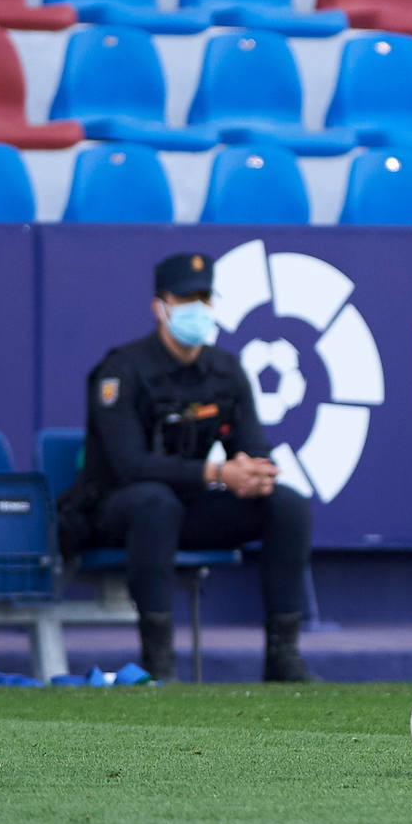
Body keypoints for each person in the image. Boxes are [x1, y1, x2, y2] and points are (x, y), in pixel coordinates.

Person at [58, 252, 314, 682]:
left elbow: (252, 446)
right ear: (160, 306)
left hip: (189, 509)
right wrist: (216, 474)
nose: (198, 307)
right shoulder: (121, 370)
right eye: (186, 298)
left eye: (205, 297)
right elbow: (130, 466)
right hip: (116, 510)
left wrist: (256, 473)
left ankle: (283, 659)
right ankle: (158, 663)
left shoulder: (225, 370)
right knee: (156, 503)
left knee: (287, 505)